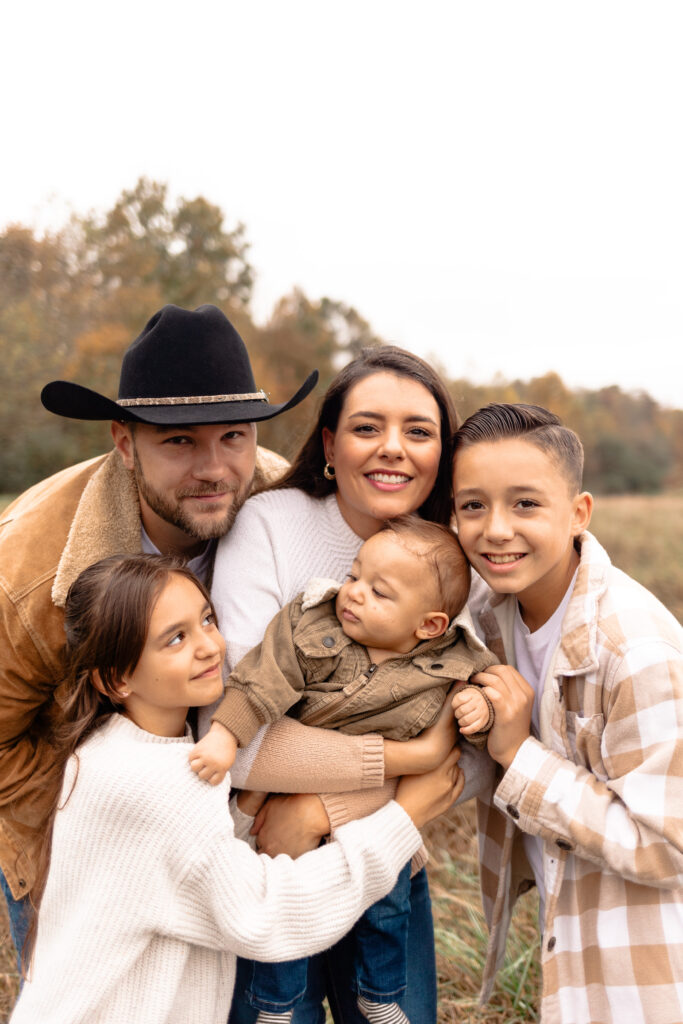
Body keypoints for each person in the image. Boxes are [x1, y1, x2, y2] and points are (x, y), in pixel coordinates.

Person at [10, 553, 463, 1024]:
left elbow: (188, 865)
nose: (210, 646)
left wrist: (246, 808)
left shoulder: (108, 752)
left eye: (207, 619)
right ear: (117, 678)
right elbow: (265, 914)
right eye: (176, 638)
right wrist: (401, 820)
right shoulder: (149, 783)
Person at [0, 302, 318, 966]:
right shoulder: (28, 575)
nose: (213, 467)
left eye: (233, 435)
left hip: (238, 830)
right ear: (124, 442)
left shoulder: (286, 512)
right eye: (179, 441)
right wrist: (85, 820)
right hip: (78, 830)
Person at [207, 346, 494, 1024]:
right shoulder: (269, 527)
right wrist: (414, 761)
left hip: (386, 852)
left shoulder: (464, 563)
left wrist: (320, 811)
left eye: (418, 432)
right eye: (367, 427)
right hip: (265, 860)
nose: (393, 449)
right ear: (330, 446)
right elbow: (238, 735)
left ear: (441, 454)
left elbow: (478, 755)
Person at [451, 402, 683, 1024]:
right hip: (570, 927)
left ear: (578, 512)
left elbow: (668, 848)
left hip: (651, 967)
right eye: (473, 505)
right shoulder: (485, 617)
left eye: (525, 504)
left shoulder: (635, 649)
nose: (496, 529)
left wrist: (518, 756)